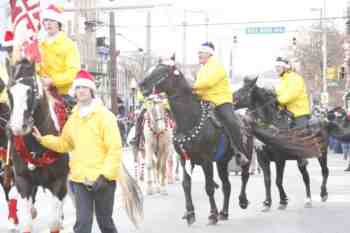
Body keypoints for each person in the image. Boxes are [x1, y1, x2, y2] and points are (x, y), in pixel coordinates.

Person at [32, 70, 122, 233]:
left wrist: (106, 176)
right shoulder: (73, 119)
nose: (80, 91)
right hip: (80, 180)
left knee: (105, 222)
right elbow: (64, 143)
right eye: (78, 87)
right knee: (82, 224)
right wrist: (43, 139)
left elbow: (114, 149)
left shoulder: (105, 116)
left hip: (103, 180)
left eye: (84, 87)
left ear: (91, 91)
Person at [192, 42, 249, 166]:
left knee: (231, 121)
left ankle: (239, 151)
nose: (199, 54)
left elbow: (208, 83)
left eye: (201, 52)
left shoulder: (217, 66)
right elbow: (200, 89)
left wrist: (191, 87)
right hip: (205, 101)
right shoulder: (202, 69)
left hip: (221, 102)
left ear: (209, 53)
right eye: (199, 52)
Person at [37, 4, 80, 106]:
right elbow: (36, 67)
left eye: (52, 21)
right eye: (46, 21)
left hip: (62, 95)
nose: (48, 24)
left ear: (59, 23)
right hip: (41, 92)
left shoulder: (69, 45)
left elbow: (73, 72)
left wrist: (52, 81)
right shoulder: (39, 44)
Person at [274, 56, 310, 166]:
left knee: (300, 132)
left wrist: (278, 101)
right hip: (286, 112)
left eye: (279, 67)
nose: (277, 69)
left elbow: (291, 94)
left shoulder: (295, 78)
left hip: (299, 112)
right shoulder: (281, 80)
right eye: (276, 67)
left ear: (286, 67)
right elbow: (278, 94)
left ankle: (302, 156)